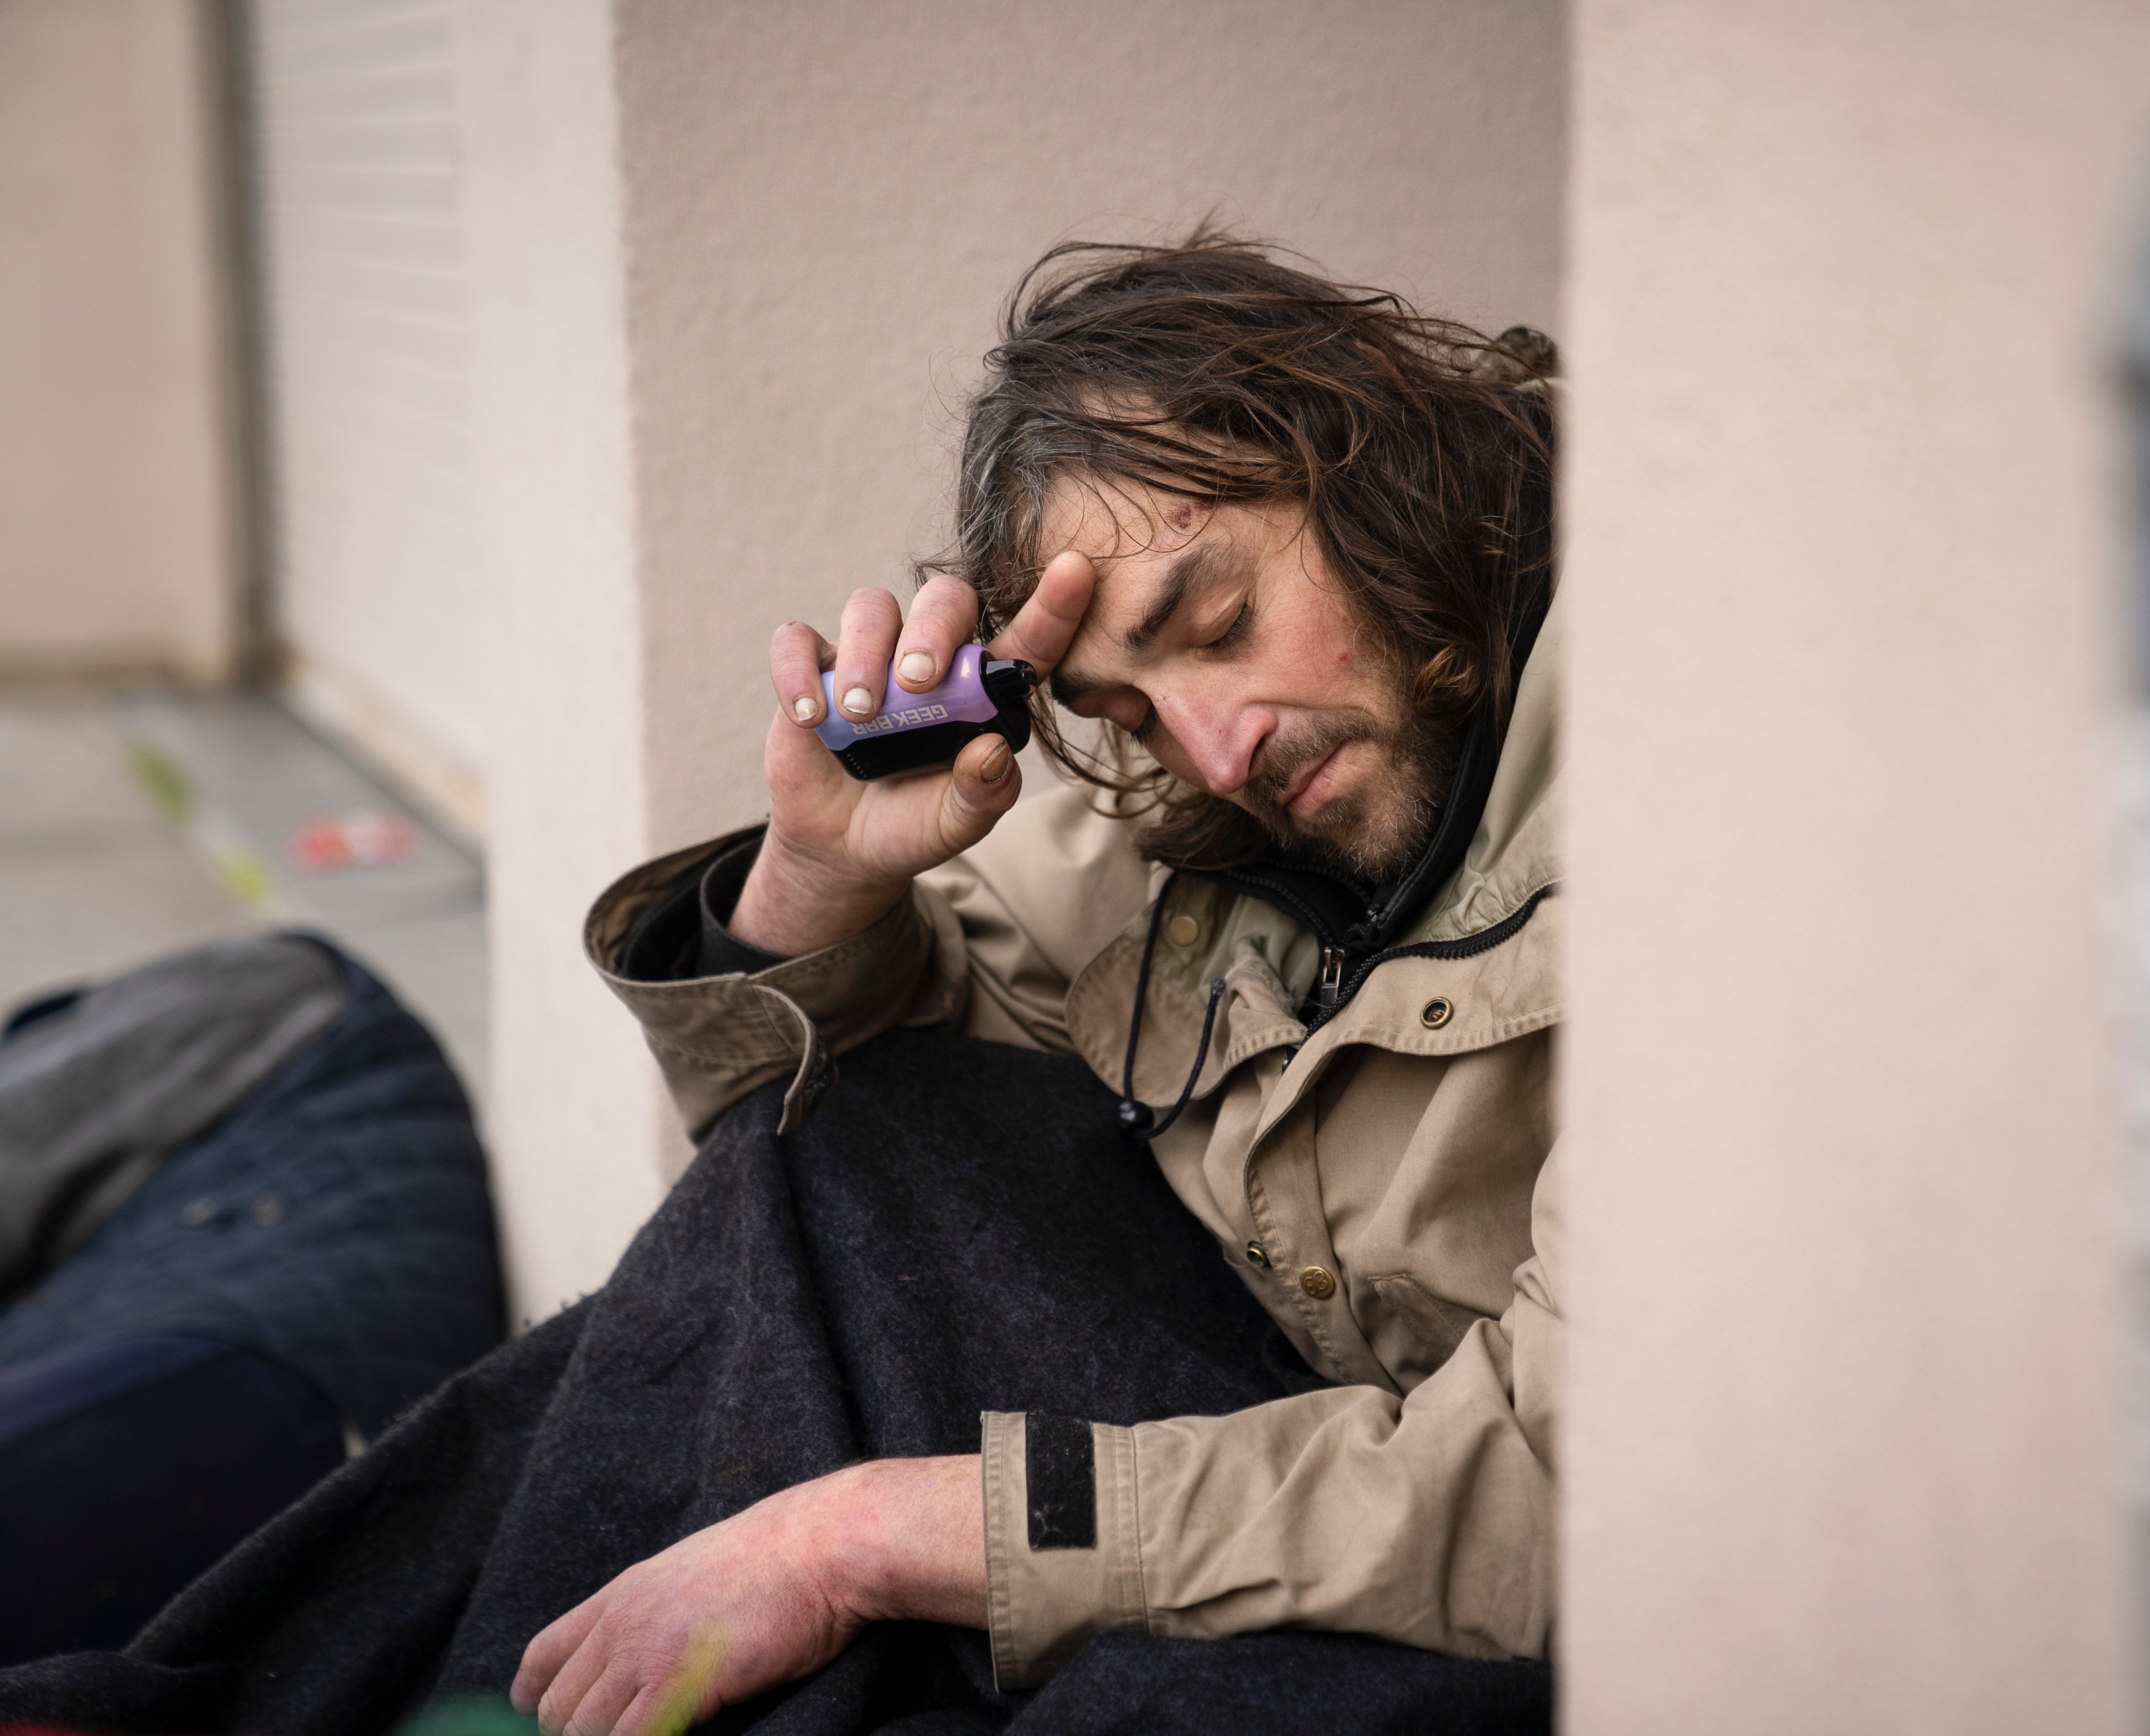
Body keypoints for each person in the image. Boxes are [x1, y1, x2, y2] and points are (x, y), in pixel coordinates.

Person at [519, 235, 1565, 1733]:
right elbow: (787, 1175)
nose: (1210, 749)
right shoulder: (1196, 818)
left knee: (1143, 1693)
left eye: (1217, 624)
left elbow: (1566, 1487)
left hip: (1553, 1583)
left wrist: (867, 1536)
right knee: (815, 1186)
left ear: (1375, 463)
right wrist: (827, 875)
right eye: (1124, 705)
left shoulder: (1693, 754)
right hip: (1302, 1442)